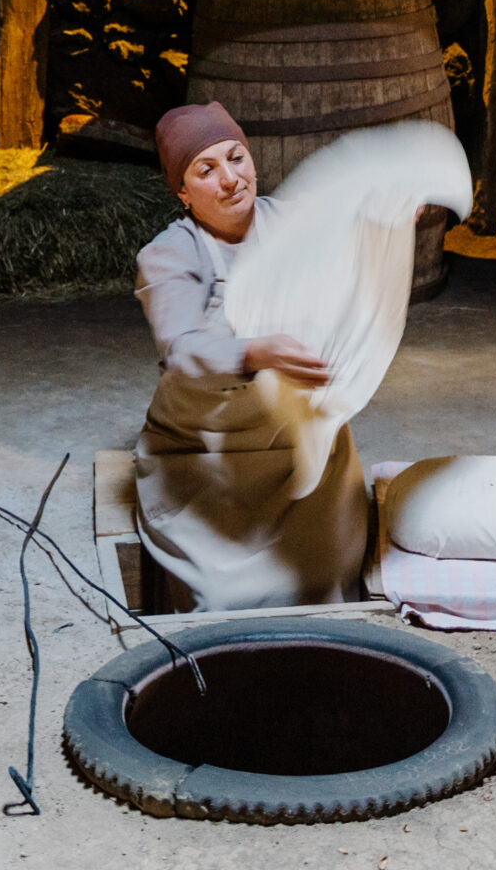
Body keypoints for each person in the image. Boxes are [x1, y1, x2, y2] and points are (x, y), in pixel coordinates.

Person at [131, 100, 369, 610]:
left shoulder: (293, 224)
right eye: (206, 170)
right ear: (182, 192)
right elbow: (182, 347)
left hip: (299, 448)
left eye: (236, 158)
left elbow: (358, 238)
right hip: (205, 455)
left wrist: (392, 219)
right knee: (225, 598)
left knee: (324, 579)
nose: (231, 179)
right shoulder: (170, 255)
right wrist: (255, 351)